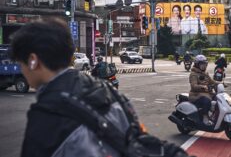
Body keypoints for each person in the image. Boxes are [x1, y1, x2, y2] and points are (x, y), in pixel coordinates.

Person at [10, 18, 188, 157]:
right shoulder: (106, 89)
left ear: (33, 60)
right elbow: (136, 138)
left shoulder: (47, 112)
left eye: (21, 62)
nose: (22, 69)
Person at [188, 55, 219, 126]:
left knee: (218, 98)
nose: (204, 66)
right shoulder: (193, 74)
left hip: (206, 93)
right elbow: (194, 86)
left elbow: (212, 82)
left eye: (205, 64)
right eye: (202, 64)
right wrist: (202, 87)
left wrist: (220, 84)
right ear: (197, 64)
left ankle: (214, 115)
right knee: (206, 101)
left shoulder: (205, 73)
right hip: (196, 95)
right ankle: (205, 117)